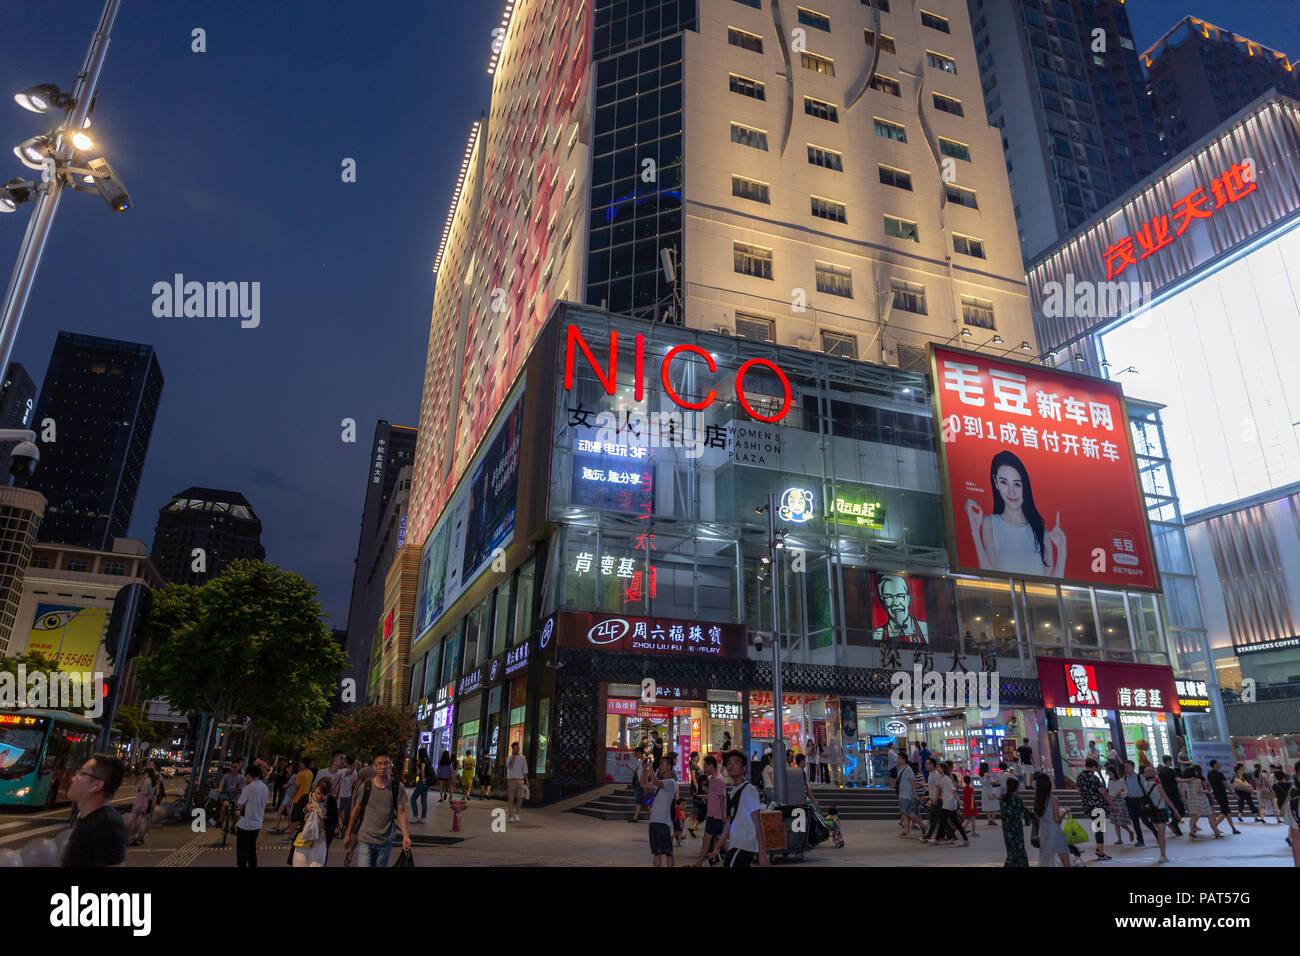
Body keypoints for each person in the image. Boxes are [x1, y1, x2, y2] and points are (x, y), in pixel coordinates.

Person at [966, 450, 1066, 576]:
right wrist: (975, 532)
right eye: (1004, 482)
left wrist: (1062, 550)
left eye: (1017, 484)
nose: (1011, 492)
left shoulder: (1042, 533)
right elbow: (991, 576)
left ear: (1025, 486)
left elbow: (1051, 586)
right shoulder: (990, 523)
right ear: (995, 482)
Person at [343, 751, 412, 868]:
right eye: (379, 764)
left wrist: (406, 836)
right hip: (365, 838)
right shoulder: (366, 787)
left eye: (386, 763)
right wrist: (348, 834)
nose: (383, 767)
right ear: (374, 767)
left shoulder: (397, 787)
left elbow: (401, 811)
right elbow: (356, 810)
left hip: (385, 841)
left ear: (390, 765)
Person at [62, 754, 127, 867]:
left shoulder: (108, 825)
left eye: (81, 774)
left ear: (97, 785)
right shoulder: (86, 817)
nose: (73, 778)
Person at [719, 749, 770, 867]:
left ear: (744, 769)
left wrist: (762, 853)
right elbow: (729, 821)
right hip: (735, 844)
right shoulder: (733, 791)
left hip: (745, 845)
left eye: (736, 763)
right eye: (729, 763)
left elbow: (758, 822)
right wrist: (718, 845)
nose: (731, 765)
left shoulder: (749, 790)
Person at [871, 573, 928, 643]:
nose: (896, 603)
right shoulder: (877, 634)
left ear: (908, 598)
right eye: (888, 597)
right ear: (882, 601)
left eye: (900, 596)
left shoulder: (924, 628)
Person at [692, 755, 727, 867]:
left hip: (716, 816)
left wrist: (723, 816)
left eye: (705, 765)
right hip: (713, 815)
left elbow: (722, 798)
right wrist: (703, 797)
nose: (704, 768)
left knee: (707, 842)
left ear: (711, 765)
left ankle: (697, 865)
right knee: (720, 842)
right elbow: (714, 796)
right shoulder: (713, 778)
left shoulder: (717, 779)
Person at [643, 753, 677, 866]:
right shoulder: (660, 784)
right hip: (653, 821)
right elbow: (643, 784)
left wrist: (651, 766)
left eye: (662, 764)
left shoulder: (671, 782)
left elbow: (655, 780)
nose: (660, 767)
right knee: (656, 852)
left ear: (669, 767)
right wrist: (644, 768)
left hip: (663, 822)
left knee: (668, 852)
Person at [1077, 758, 1113, 861]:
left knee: (1097, 827)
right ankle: (1100, 852)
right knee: (1099, 829)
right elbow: (1104, 792)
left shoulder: (1079, 777)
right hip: (1097, 805)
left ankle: (1098, 848)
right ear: (1094, 767)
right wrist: (1112, 805)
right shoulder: (1093, 778)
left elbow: (1079, 790)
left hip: (1087, 805)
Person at [1140, 765, 1177, 863]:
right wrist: (1175, 810)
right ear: (1154, 773)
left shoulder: (1143, 785)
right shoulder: (1158, 786)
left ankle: (1162, 854)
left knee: (1159, 833)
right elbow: (1167, 800)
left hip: (1150, 811)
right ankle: (1163, 855)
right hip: (1160, 810)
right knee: (1161, 834)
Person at [234, 763, 268, 868]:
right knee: (251, 850)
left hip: (246, 824)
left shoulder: (248, 788)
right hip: (257, 824)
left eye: (246, 776)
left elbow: (239, 806)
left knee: (242, 853)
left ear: (249, 775)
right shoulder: (264, 787)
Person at [1033, 773, 1070, 867]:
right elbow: (1057, 819)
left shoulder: (1038, 799)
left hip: (1044, 832)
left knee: (1046, 857)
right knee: (1064, 856)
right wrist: (1065, 812)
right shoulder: (1053, 799)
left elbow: (1038, 816)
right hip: (1055, 832)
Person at [291, 778, 331, 867]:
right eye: (318, 793)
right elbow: (293, 817)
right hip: (303, 840)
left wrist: (324, 817)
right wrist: (305, 810)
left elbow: (334, 821)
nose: (320, 797)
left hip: (320, 842)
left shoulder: (330, 801)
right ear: (315, 787)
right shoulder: (305, 798)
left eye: (324, 795)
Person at [1122, 760, 1157, 847]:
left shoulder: (1139, 777)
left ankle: (1157, 835)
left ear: (1133, 767)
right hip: (1130, 801)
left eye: (1127, 766)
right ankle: (1140, 840)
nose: (1126, 768)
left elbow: (1146, 788)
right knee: (1135, 821)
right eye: (1125, 767)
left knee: (1145, 820)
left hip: (1140, 800)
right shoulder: (1125, 778)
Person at [1179, 764, 1220, 838]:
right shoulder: (1198, 780)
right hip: (1201, 800)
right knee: (1210, 815)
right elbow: (1198, 791)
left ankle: (1191, 831)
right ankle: (1216, 832)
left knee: (1193, 816)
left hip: (1191, 800)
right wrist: (1206, 791)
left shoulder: (1187, 781)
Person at [998, 776, 1028, 867]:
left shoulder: (1002, 798)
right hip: (1016, 829)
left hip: (1007, 829)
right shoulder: (1017, 799)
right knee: (1019, 849)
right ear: (1016, 787)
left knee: (1010, 850)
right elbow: (1024, 812)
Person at [125, 767, 159, 847]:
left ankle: (127, 838)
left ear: (147, 774)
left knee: (132, 820)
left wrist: (140, 789)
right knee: (143, 821)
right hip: (149, 803)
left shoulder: (147, 781)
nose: (144, 775)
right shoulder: (155, 782)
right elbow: (156, 794)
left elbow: (145, 792)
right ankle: (140, 839)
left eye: (145, 774)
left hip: (141, 802)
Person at [1206, 760, 1241, 834]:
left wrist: (1210, 794)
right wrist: (1234, 794)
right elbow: (1226, 785)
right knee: (1225, 812)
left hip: (1216, 794)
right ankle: (1214, 825)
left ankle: (1233, 828)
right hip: (1222, 794)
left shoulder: (1209, 774)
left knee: (1227, 812)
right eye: (1218, 763)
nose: (1220, 765)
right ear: (1215, 765)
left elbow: (1208, 784)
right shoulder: (1220, 774)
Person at [1106, 765, 1135, 845]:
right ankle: (1119, 839)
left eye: (1110, 773)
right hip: (1112, 801)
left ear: (1113, 772)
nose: (1109, 775)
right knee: (1115, 822)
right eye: (1108, 774)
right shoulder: (1110, 781)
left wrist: (1120, 793)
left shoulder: (1121, 781)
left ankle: (1130, 831)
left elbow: (1126, 791)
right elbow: (1109, 791)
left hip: (1120, 801)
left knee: (1121, 821)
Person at [1157, 756, 1186, 837]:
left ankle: (1176, 829)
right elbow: (1177, 779)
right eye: (1171, 760)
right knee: (1181, 810)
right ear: (1169, 761)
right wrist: (1188, 780)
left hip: (1166, 793)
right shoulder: (1171, 770)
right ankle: (1173, 824)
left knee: (1174, 811)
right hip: (1174, 793)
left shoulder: (1161, 772)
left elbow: (1160, 782)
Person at [896, 752, 923, 836]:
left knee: (907, 812)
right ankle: (907, 831)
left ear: (904, 760)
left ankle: (922, 824)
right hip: (902, 794)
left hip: (907, 794)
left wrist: (914, 793)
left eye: (899, 758)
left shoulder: (908, 769)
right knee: (905, 813)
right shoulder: (901, 768)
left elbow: (913, 781)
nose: (897, 760)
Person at [271, 758, 300, 834]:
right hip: (289, 795)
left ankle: (284, 828)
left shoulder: (293, 776)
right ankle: (282, 827)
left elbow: (287, 785)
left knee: (285, 812)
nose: (289, 768)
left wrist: (281, 785)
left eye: (291, 767)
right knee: (285, 812)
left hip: (288, 795)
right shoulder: (294, 775)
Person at [218, 760, 245, 831]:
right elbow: (221, 785)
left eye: (235, 767)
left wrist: (239, 789)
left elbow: (243, 789)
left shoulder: (242, 778)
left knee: (237, 814)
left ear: (238, 768)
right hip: (227, 796)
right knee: (225, 804)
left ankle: (233, 825)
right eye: (232, 767)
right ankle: (220, 821)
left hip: (236, 798)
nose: (234, 769)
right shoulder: (226, 777)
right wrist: (220, 790)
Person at [505, 740, 528, 823]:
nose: (516, 749)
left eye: (517, 747)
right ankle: (510, 816)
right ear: (512, 749)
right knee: (510, 799)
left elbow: (525, 770)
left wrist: (527, 780)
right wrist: (514, 756)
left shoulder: (523, 758)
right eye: (515, 748)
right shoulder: (509, 758)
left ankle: (516, 812)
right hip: (511, 780)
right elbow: (510, 767)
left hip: (520, 779)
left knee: (520, 797)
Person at [337, 755, 357, 831]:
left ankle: (341, 826)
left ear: (346, 762)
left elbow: (348, 772)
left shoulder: (341, 771)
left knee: (338, 811)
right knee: (343, 812)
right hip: (348, 795)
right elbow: (354, 784)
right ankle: (342, 826)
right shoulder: (355, 773)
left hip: (340, 795)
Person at [630, 750, 649, 823]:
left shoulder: (645, 762)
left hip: (642, 784)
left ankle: (635, 818)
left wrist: (646, 784)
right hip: (639, 783)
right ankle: (653, 816)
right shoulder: (640, 761)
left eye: (636, 753)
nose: (635, 754)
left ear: (640, 753)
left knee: (640, 801)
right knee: (645, 802)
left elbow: (647, 773)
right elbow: (636, 772)